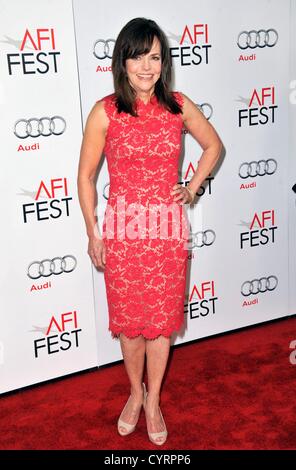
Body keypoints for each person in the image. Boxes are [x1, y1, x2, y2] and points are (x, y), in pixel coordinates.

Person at [77, 17, 222, 446]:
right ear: (123, 61)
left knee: (160, 325)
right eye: (138, 56)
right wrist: (93, 232)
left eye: (155, 57)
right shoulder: (105, 111)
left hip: (166, 231)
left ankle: (154, 398)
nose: (146, 66)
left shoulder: (177, 105)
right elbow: (85, 177)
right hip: (123, 231)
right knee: (130, 326)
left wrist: (191, 189)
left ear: (164, 62)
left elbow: (213, 145)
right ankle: (133, 394)